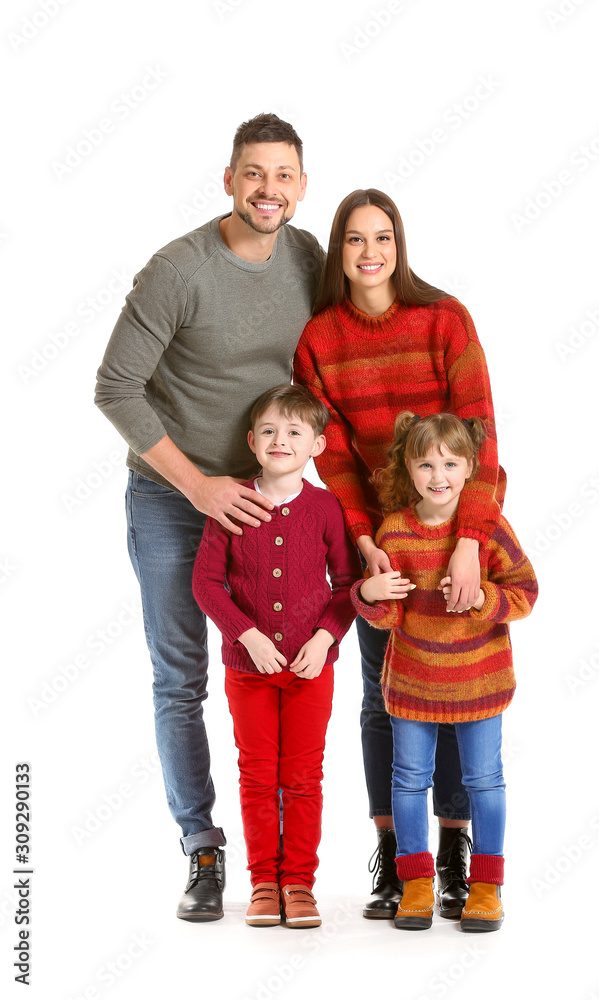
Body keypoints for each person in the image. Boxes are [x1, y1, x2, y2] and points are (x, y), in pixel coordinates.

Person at [94, 113, 326, 920]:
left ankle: (287, 861)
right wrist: (198, 489)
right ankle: (203, 848)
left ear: (301, 185)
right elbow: (114, 388)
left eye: (285, 176)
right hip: (173, 498)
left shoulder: (305, 256)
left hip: (270, 501)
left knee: (291, 664)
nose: (270, 190)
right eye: (254, 174)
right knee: (181, 677)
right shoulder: (177, 270)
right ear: (228, 180)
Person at [293, 189, 507, 919]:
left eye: (382, 237)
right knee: (383, 698)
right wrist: (362, 543)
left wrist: (472, 543)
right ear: (339, 251)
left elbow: (481, 440)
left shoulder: (444, 321)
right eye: (354, 240)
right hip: (383, 542)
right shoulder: (320, 340)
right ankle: (396, 850)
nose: (370, 252)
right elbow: (337, 457)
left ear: (399, 244)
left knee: (458, 691)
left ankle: (453, 847)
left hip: (455, 527)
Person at [351, 411, 537, 930]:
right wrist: (367, 595)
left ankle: (485, 887)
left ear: (470, 467)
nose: (438, 476)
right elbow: (389, 616)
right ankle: (414, 882)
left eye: (451, 464)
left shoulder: (489, 532)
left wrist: (484, 597)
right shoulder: (396, 531)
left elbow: (526, 593)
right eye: (425, 464)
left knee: (485, 781)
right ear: (406, 469)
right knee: (409, 781)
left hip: (480, 682)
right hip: (412, 684)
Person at [192, 384, 360, 928]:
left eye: (293, 431)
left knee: (304, 776)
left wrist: (325, 638)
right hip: (249, 672)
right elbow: (207, 585)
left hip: (313, 670)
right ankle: (264, 881)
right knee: (258, 775)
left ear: (317, 444)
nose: (279, 439)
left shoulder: (326, 506)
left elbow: (348, 584)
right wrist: (246, 635)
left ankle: (300, 885)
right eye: (268, 430)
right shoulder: (231, 502)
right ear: (251, 440)